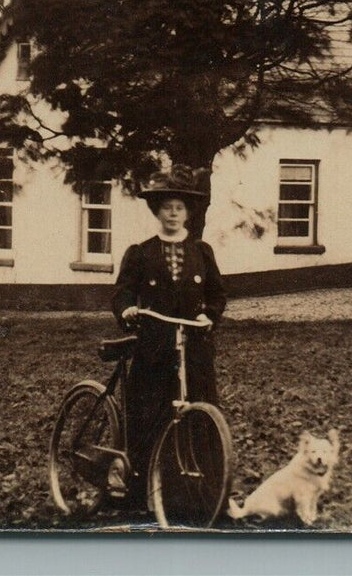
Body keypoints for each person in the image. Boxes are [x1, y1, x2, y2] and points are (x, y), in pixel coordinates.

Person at [109, 166, 227, 502]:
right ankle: (144, 492)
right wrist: (128, 309)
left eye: (179, 208)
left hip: (194, 349)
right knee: (150, 418)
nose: (173, 214)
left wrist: (209, 315)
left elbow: (218, 294)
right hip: (155, 350)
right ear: (157, 211)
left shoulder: (201, 252)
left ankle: (206, 493)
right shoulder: (141, 252)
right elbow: (123, 292)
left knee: (201, 416)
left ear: (189, 213)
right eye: (166, 207)